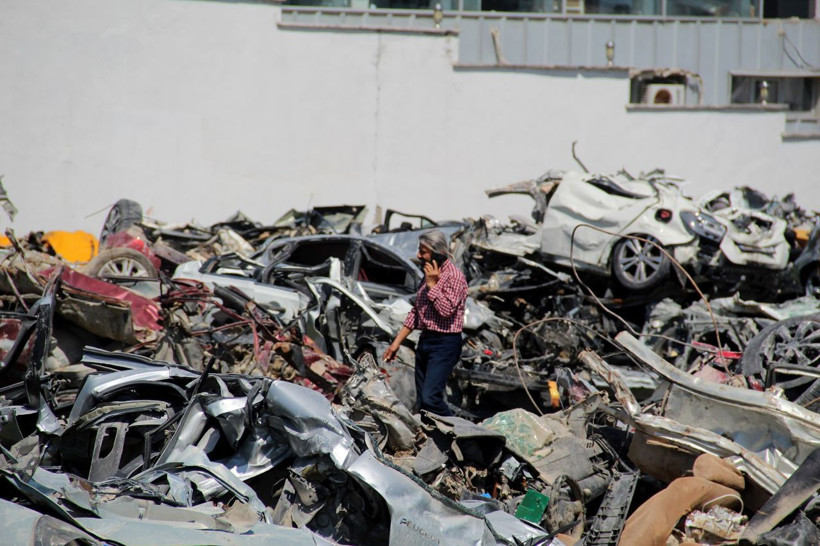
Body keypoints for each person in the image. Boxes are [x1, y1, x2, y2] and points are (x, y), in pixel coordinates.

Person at [383, 229, 467, 416]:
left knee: (431, 398)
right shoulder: (428, 274)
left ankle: (461, 436)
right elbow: (417, 311)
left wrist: (432, 285)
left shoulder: (454, 276)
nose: (419, 255)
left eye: (423, 251)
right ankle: (432, 441)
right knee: (422, 403)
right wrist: (396, 343)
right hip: (426, 341)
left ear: (437, 253)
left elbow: (446, 311)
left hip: (445, 344)